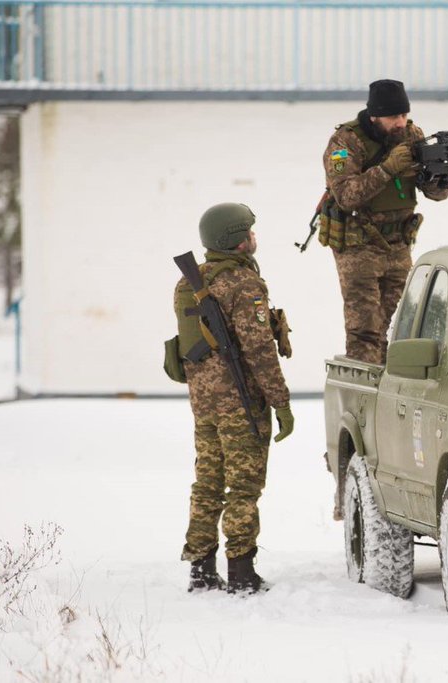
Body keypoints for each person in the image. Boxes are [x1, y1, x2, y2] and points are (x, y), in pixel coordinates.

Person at [175, 202, 295, 595]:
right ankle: (242, 572)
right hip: (240, 405)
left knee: (207, 483)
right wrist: (280, 401)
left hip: (205, 405)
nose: (254, 238)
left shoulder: (191, 283)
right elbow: (260, 350)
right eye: (249, 232)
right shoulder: (243, 284)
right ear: (236, 241)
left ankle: (201, 569)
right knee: (243, 487)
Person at [322, 78, 448, 364]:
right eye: (394, 116)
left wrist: (443, 175)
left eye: (404, 115)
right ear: (374, 115)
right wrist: (388, 169)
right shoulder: (345, 142)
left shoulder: (411, 135)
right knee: (365, 331)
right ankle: (365, 398)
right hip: (359, 247)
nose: (401, 123)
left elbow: (436, 194)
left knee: (400, 325)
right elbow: (346, 195)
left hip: (398, 245)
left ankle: (390, 389)